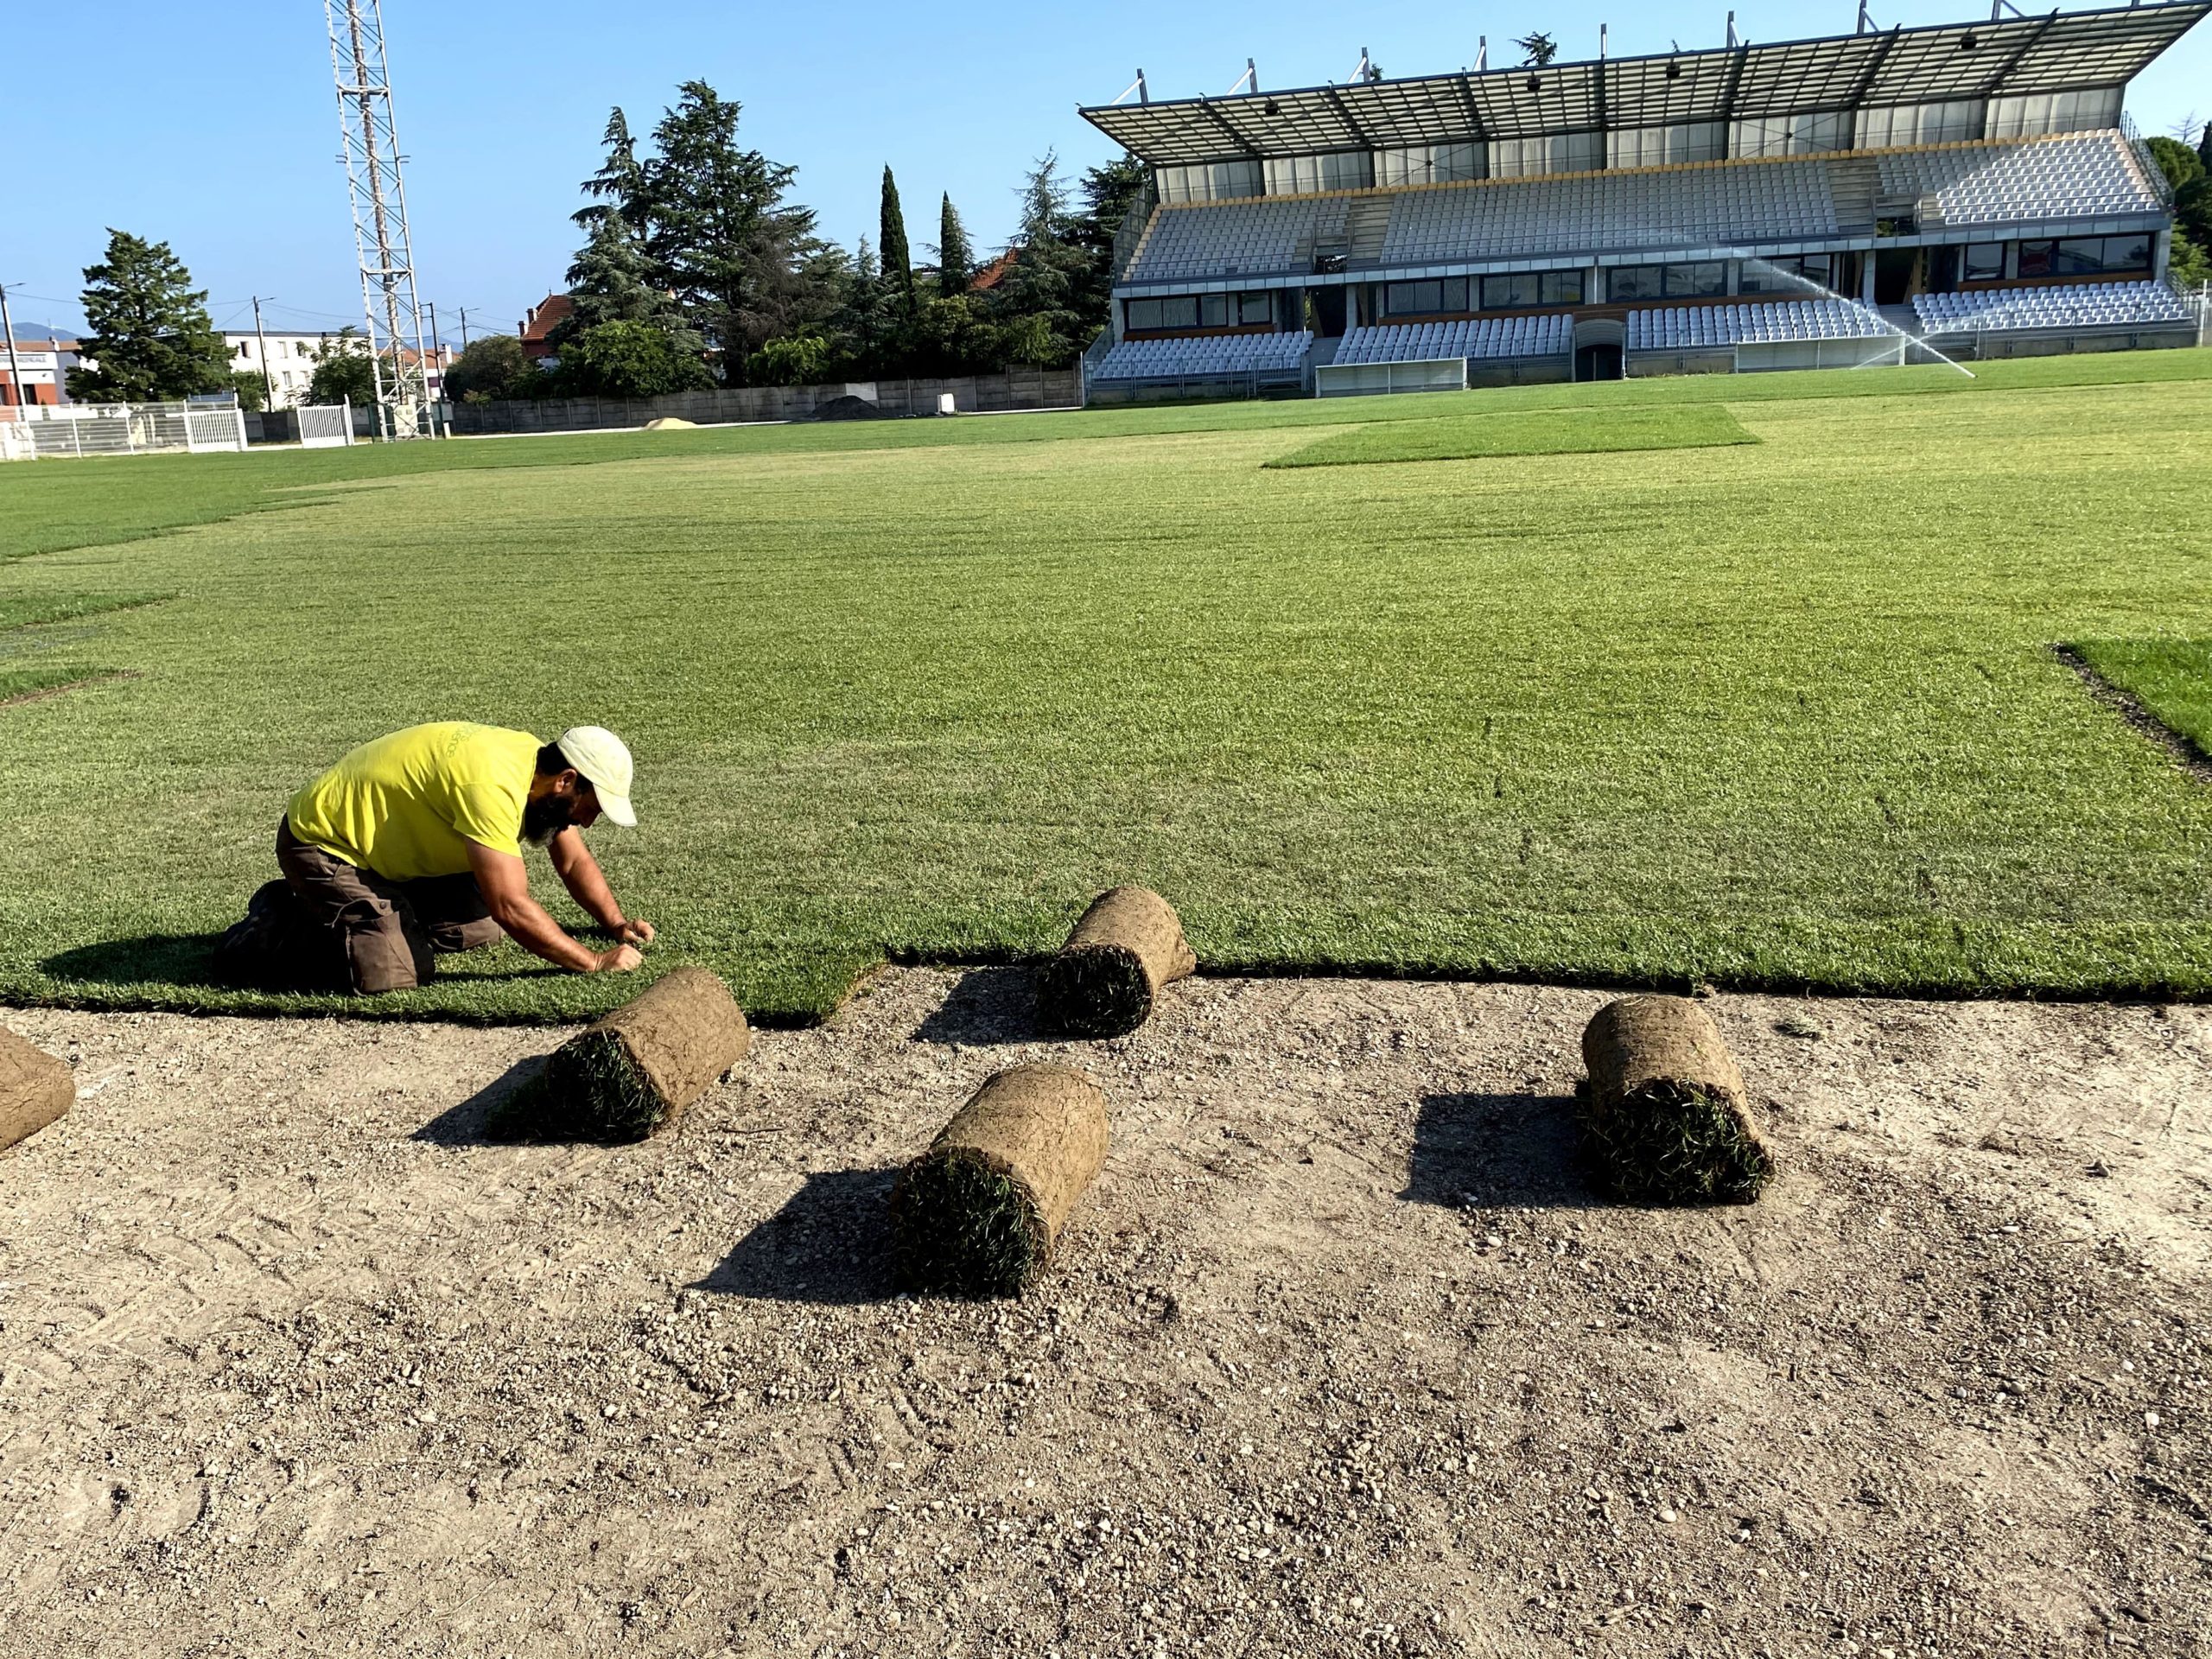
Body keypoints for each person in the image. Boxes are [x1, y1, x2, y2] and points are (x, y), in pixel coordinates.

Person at [216, 721, 653, 995]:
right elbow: (511, 906)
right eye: (591, 808)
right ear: (567, 780)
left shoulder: (537, 770)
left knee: (479, 930)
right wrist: (593, 962)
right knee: (395, 973)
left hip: (385, 857)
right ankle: (275, 924)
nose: (588, 822)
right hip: (323, 845)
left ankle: (381, 917)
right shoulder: (493, 785)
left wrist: (615, 924)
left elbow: (573, 862)